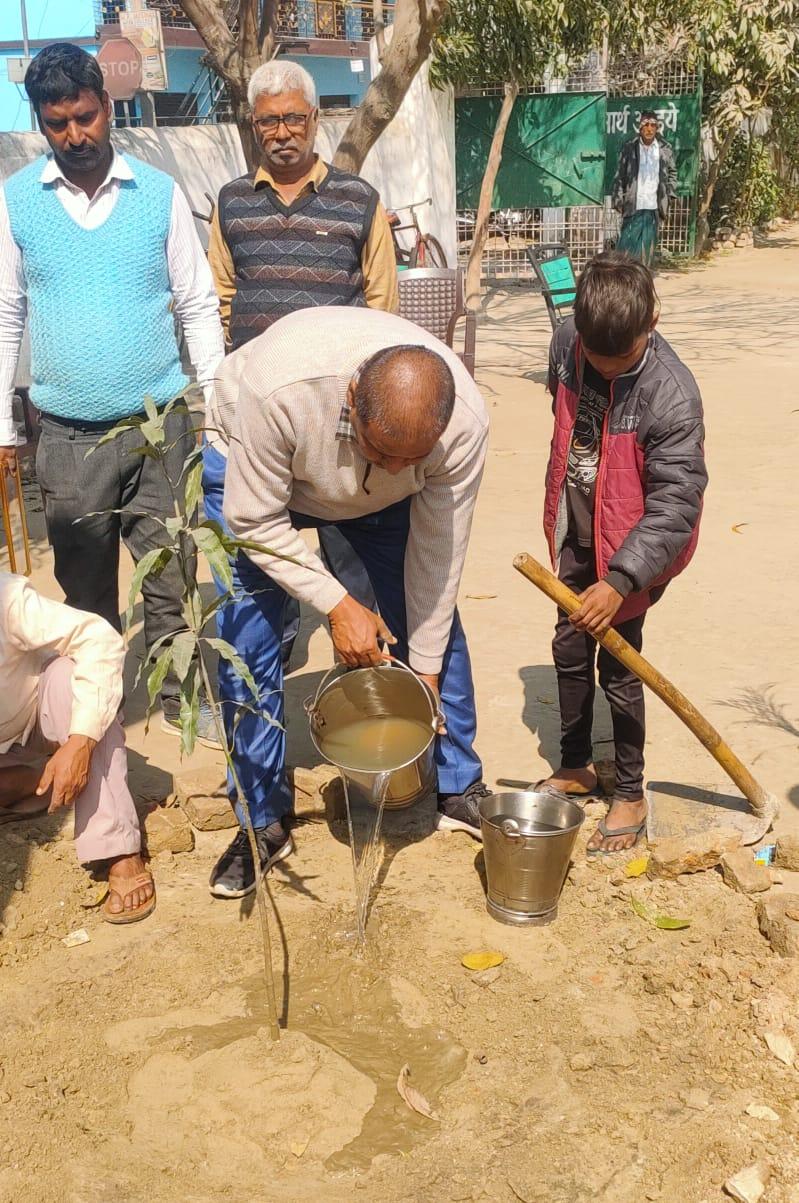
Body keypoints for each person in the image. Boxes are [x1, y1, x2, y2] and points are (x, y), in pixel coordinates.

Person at [205, 306, 490, 898]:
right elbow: (253, 520)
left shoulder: (461, 424)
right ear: (353, 397)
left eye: (411, 460)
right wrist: (338, 604)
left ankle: (456, 784)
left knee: (429, 621)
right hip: (254, 468)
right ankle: (260, 822)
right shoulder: (279, 389)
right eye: (382, 451)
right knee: (247, 640)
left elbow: (437, 559)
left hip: (375, 501)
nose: (395, 468)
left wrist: (425, 673)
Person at [0, 43, 225, 744]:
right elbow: (6, 313)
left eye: (85, 117)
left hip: (161, 428)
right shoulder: (18, 201)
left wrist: (216, 408)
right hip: (68, 438)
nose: (75, 135)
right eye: (57, 123)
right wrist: (4, 428)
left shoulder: (157, 193)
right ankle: (98, 715)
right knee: (85, 585)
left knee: (172, 574)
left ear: (107, 105)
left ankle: (182, 699)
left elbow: (197, 304)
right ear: (41, 122)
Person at [205, 59, 397, 668]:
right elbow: (222, 298)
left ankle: (361, 694)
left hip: (340, 430)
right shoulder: (232, 203)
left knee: (353, 572)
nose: (282, 132)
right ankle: (268, 686)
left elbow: (382, 310)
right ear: (254, 125)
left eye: (293, 118)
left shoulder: (358, 201)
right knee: (264, 572)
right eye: (269, 121)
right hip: (260, 425)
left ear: (314, 119)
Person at [538, 252, 707, 854]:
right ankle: (576, 765)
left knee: (620, 662)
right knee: (568, 645)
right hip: (577, 526)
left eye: (622, 359)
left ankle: (631, 792)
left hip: (635, 550)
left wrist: (621, 579)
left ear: (651, 321)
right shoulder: (567, 342)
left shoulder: (673, 394)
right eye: (596, 355)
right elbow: (563, 421)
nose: (605, 368)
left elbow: (675, 506)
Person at [0, 571, 154, 923]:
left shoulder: (5, 597)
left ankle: (119, 848)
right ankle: (35, 782)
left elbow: (99, 638)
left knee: (71, 678)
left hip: (38, 715)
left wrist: (81, 741)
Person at [612, 111, 677, 266]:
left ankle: (643, 277)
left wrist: (669, 195)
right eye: (645, 125)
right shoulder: (629, 148)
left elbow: (672, 172)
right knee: (625, 249)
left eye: (653, 125)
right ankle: (623, 277)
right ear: (640, 128)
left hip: (653, 208)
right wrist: (618, 198)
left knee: (647, 251)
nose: (649, 129)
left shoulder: (664, 149)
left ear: (657, 128)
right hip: (633, 206)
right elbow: (619, 174)